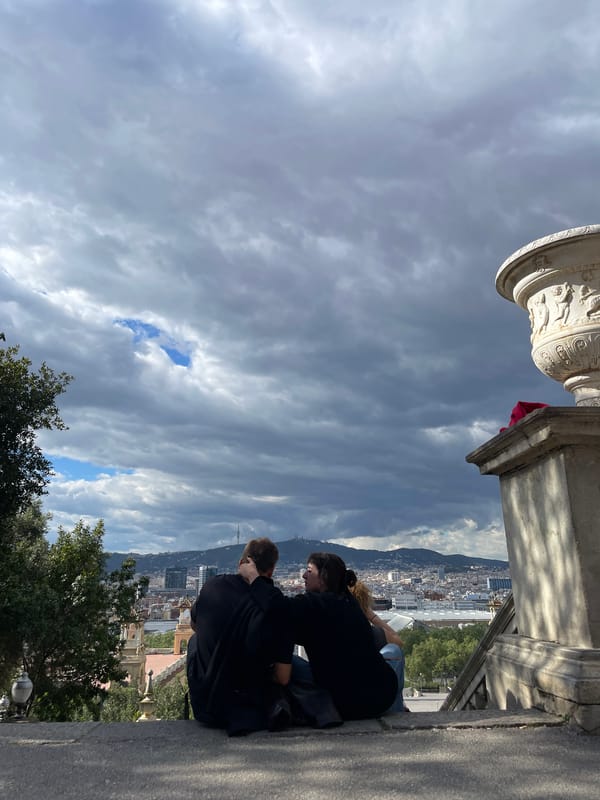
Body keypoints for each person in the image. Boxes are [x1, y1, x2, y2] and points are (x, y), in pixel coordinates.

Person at [241, 551, 398, 720]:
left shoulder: (316, 604)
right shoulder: (349, 602)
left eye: (309, 570)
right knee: (394, 653)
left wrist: (253, 577)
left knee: (284, 659)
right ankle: (399, 711)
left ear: (323, 576)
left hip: (345, 703)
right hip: (382, 696)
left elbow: (278, 607)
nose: (303, 576)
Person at [186, 537, 292, 736]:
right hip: (250, 708)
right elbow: (283, 678)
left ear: (241, 563)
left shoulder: (212, 586)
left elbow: (194, 625)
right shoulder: (275, 607)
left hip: (205, 707)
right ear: (271, 571)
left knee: (194, 641)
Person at [346, 568, 406, 712]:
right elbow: (398, 641)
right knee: (394, 651)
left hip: (339, 696)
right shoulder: (374, 635)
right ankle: (397, 710)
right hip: (372, 696)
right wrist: (370, 615)